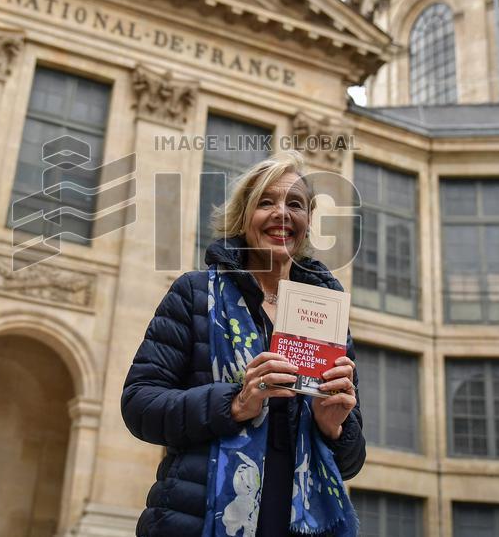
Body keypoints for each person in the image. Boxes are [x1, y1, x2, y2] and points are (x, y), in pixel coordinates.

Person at [122, 151, 364, 537]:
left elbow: (350, 463)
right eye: (266, 202)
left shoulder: (328, 312)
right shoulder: (195, 293)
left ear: (308, 222)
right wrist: (236, 403)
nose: (282, 213)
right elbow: (139, 405)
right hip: (200, 520)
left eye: (295, 204)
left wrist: (333, 426)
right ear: (243, 217)